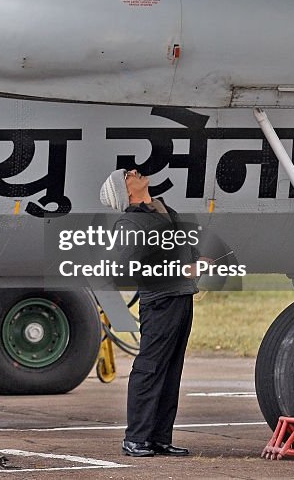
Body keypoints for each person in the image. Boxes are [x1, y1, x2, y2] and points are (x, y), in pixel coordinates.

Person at [100, 168, 199, 458]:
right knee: (151, 368)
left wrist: (196, 263)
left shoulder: (165, 210)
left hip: (181, 296)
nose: (135, 171)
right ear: (125, 191)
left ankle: (159, 438)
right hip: (160, 301)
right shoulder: (132, 222)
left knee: (171, 370)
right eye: (128, 174)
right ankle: (136, 438)